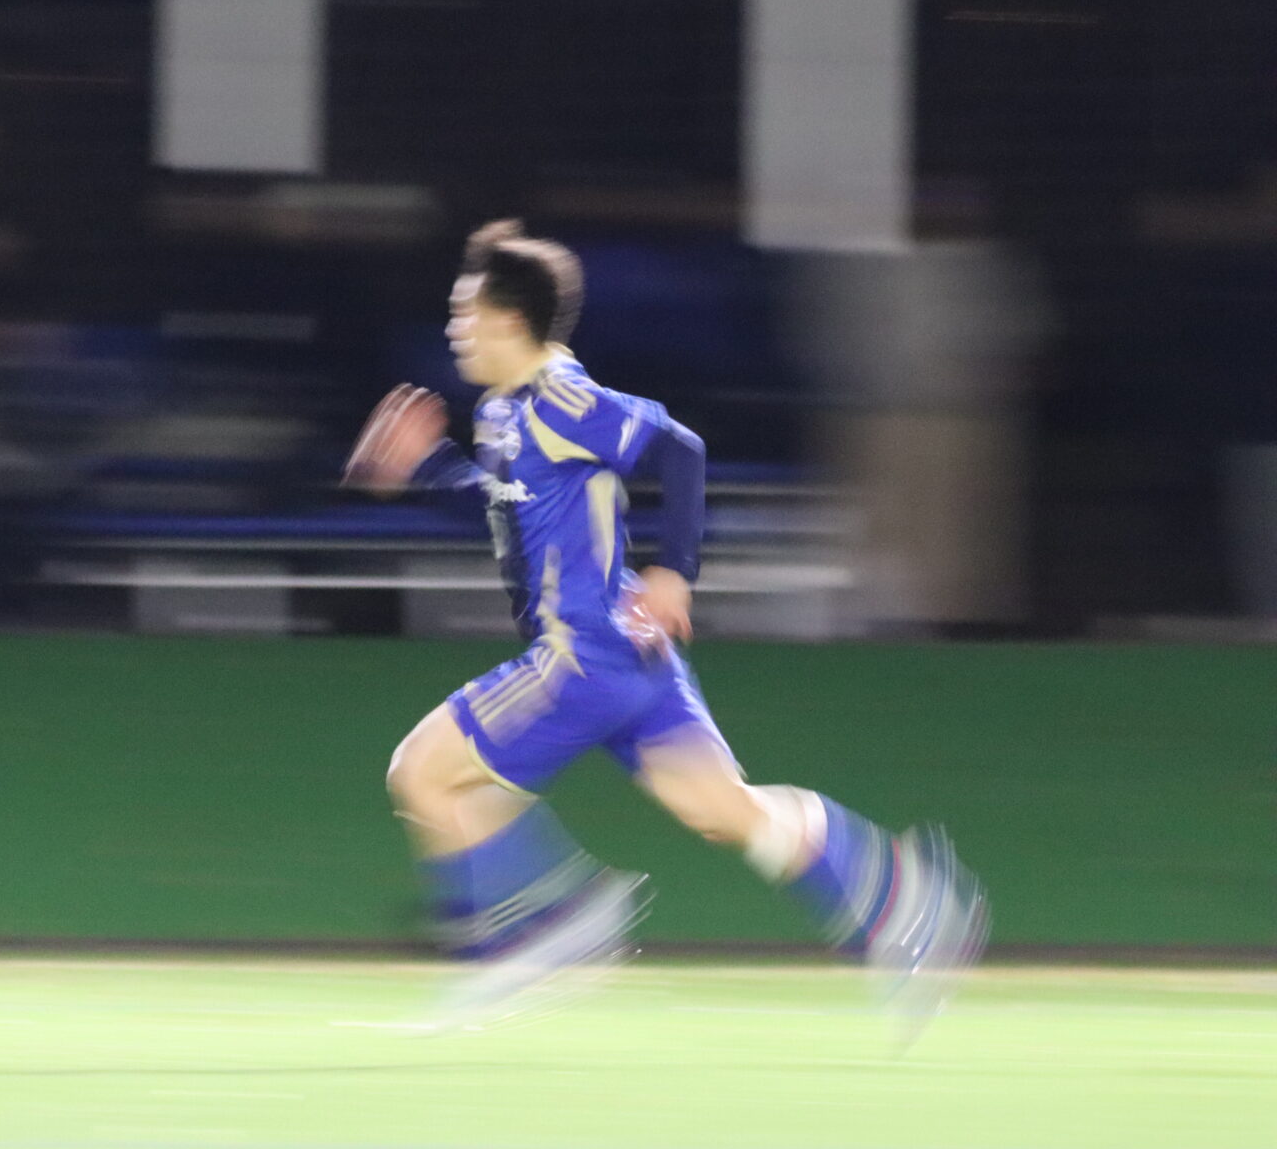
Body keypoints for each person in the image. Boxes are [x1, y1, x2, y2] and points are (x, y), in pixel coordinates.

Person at [345, 220, 987, 1032]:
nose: (453, 328)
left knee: (421, 772)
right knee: (726, 811)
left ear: (509, 320)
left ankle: (543, 926)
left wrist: (675, 568)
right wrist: (432, 468)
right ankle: (904, 897)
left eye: (464, 312)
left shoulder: (562, 399)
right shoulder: (505, 411)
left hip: (582, 654)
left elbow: (680, 448)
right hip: (629, 655)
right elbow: (511, 508)